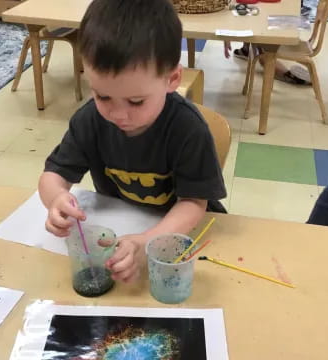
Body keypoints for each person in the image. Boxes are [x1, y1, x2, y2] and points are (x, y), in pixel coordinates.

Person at [38, 0, 227, 283]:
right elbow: (53, 176)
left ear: (172, 78)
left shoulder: (188, 129)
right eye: (102, 96)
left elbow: (193, 203)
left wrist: (148, 242)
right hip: (123, 226)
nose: (118, 113)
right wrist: (56, 200)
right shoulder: (89, 121)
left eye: (136, 101)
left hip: (187, 236)